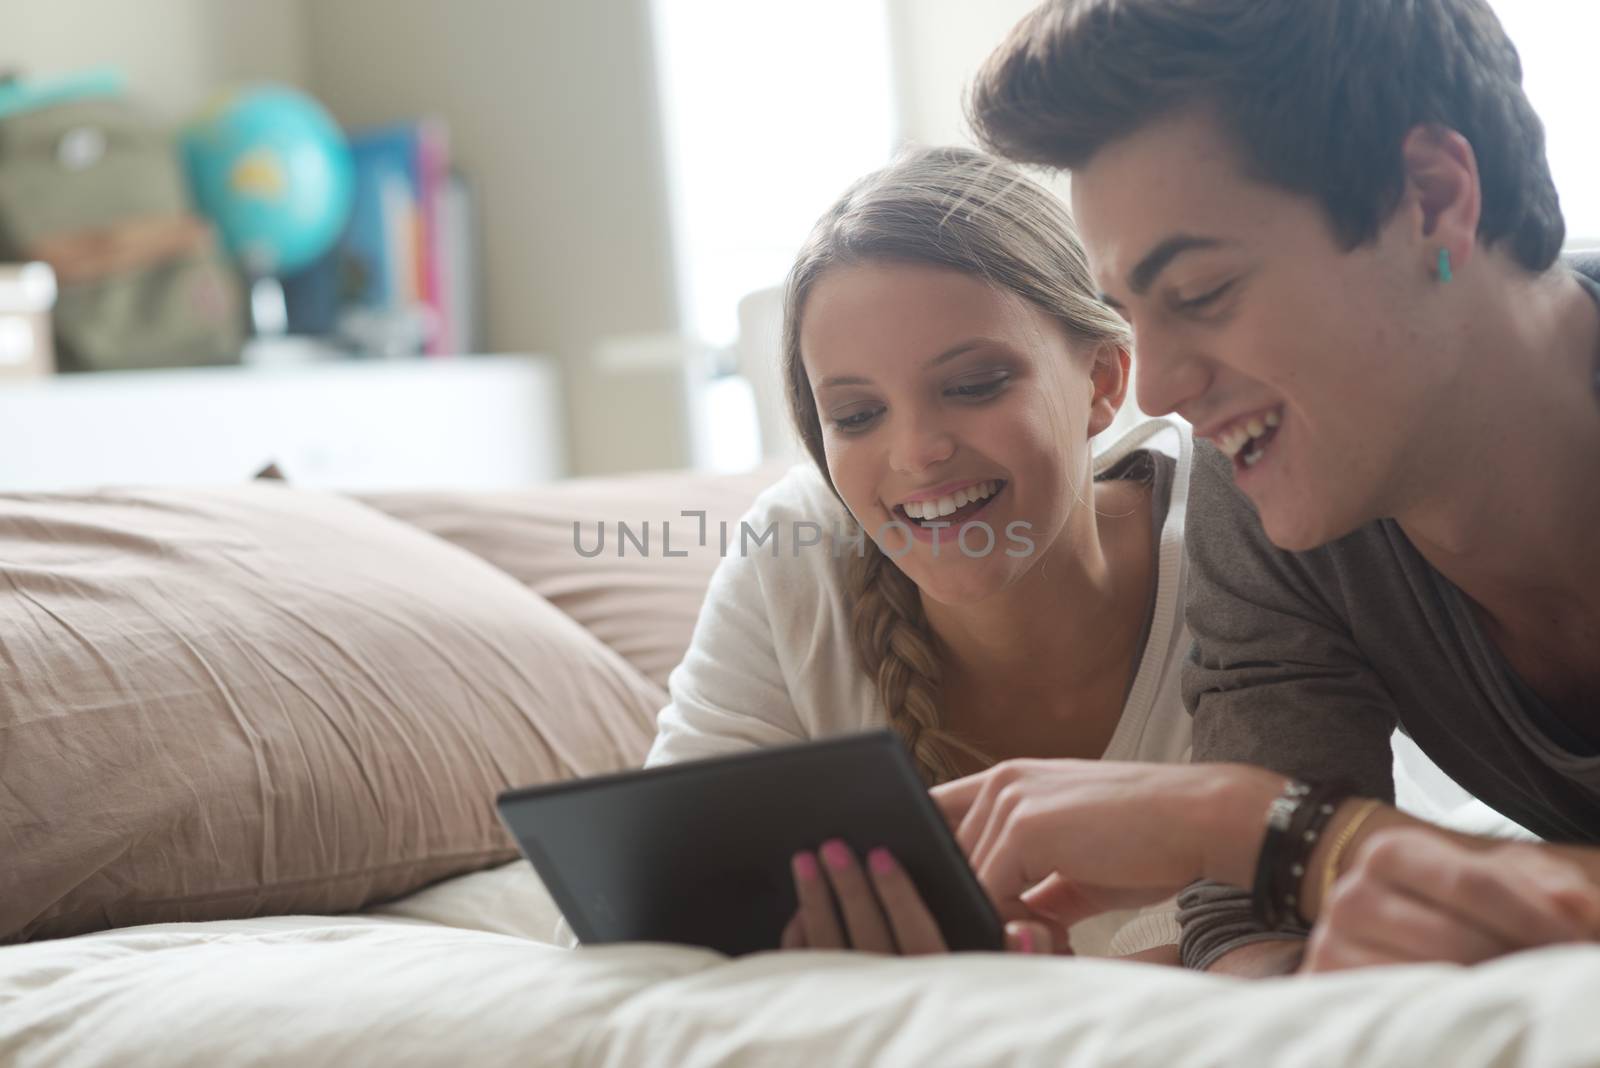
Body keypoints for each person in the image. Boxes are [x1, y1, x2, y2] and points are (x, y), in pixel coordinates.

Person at [930, 0, 1600, 975]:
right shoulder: (1267, 490)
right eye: (1127, 314)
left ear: (1428, 196)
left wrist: (1254, 825)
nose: (1155, 388)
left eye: (1201, 294)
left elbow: (1271, 846)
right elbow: (1253, 932)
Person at [646, 145, 1197, 959]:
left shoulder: (1232, 540)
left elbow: (1332, 895)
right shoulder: (796, 556)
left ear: (1104, 380)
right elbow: (639, 918)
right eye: (858, 415)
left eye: (973, 385)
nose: (918, 452)